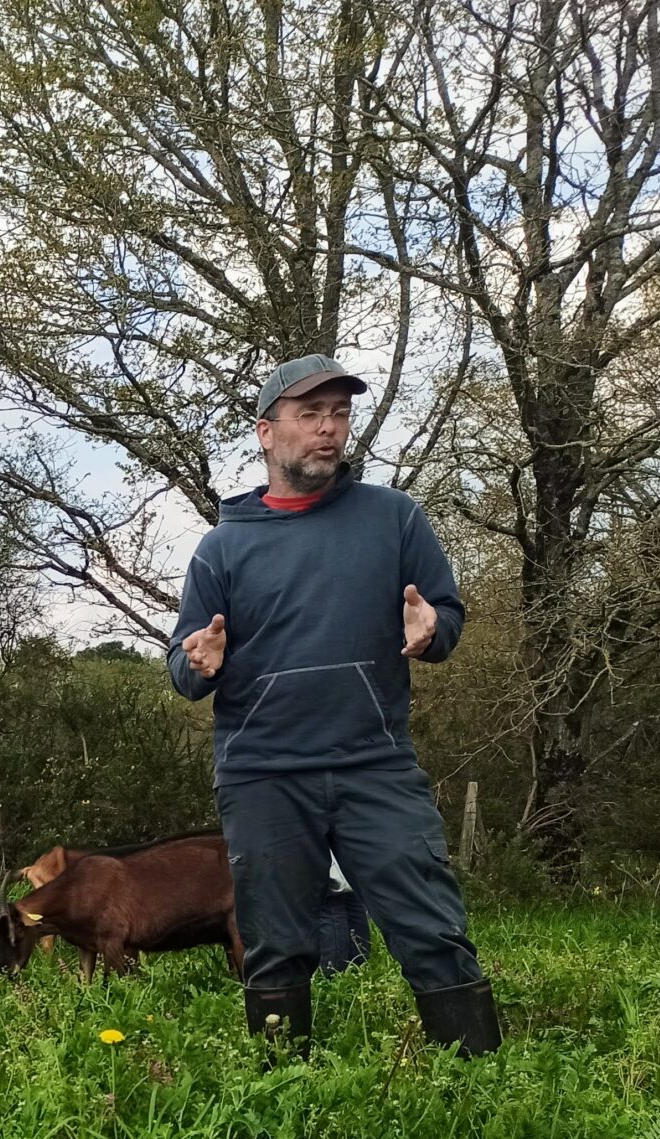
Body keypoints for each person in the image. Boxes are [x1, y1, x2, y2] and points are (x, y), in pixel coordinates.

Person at [169, 354, 501, 1053]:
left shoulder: (393, 518)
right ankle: (285, 1099)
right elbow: (183, 666)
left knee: (432, 929)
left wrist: (434, 628)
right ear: (266, 432)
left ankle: (480, 1090)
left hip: (373, 765)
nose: (329, 429)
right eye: (311, 414)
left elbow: (446, 613)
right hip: (262, 774)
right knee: (275, 946)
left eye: (340, 413)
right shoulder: (221, 550)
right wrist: (199, 662)